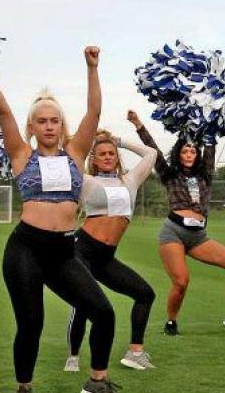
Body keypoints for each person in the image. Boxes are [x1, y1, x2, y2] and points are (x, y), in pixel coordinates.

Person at [0, 46, 120, 393]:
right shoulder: (21, 155)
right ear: (32, 127)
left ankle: (97, 381)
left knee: (103, 312)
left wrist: (92, 67)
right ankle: (24, 388)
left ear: (62, 126)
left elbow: (95, 111)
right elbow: (3, 110)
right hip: (25, 249)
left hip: (62, 252)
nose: (48, 126)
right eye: (41, 121)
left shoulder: (75, 154)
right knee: (31, 325)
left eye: (54, 121)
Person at [129, 111, 225, 336]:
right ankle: (171, 321)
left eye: (193, 150)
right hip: (173, 233)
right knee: (182, 281)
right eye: (185, 150)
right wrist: (138, 124)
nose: (189, 154)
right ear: (179, 153)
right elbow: (154, 151)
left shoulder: (205, 174)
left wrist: (214, 116)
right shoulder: (169, 174)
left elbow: (210, 144)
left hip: (198, 237)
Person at [64, 123, 158, 372]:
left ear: (117, 157)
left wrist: (118, 140)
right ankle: (73, 356)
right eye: (102, 154)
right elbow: (68, 155)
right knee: (84, 303)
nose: (107, 157)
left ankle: (135, 353)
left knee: (145, 294)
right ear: (94, 160)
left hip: (106, 258)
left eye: (111, 153)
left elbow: (151, 154)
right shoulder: (86, 181)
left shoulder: (131, 180)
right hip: (82, 251)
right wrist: (84, 141)